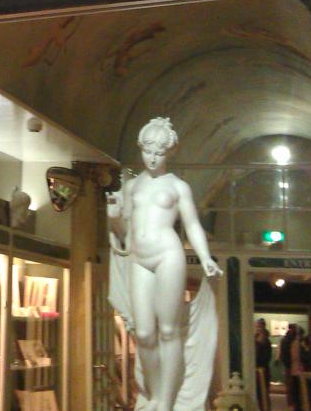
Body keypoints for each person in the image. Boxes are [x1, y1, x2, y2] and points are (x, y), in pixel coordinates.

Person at [109, 117, 222, 411]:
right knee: (144, 333)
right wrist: (113, 218)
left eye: (159, 153)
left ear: (169, 153)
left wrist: (205, 257)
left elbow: (192, 225)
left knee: (169, 331)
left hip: (168, 256)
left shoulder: (177, 186)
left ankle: (167, 402)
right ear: (141, 149)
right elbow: (126, 229)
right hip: (139, 259)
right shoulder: (132, 186)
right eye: (147, 151)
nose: (152, 158)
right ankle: (156, 394)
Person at [279, 323, 301, 410]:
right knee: (291, 385)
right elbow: (285, 354)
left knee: (291, 386)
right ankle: (292, 403)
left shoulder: (286, 339)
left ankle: (292, 403)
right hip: (290, 365)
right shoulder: (288, 340)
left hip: (290, 365)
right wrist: (288, 363)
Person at [254, 318, 273, 411]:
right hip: (256, 371)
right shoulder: (255, 339)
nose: (258, 328)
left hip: (262, 371)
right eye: (257, 326)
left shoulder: (265, 341)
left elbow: (265, 358)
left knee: (263, 395)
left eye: (259, 326)